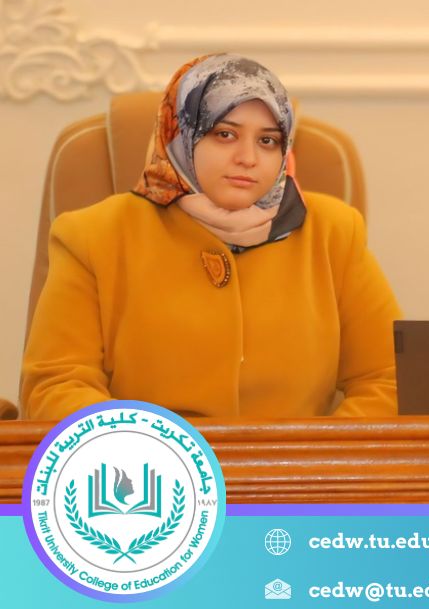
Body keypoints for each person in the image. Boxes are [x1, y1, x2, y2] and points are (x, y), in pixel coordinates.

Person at [21, 54, 401, 420]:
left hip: (295, 463)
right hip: (147, 461)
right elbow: (57, 386)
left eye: (267, 141)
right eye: (224, 134)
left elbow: (387, 380)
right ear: (179, 135)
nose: (248, 157)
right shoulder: (92, 236)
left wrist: (316, 457)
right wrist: (155, 454)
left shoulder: (333, 231)